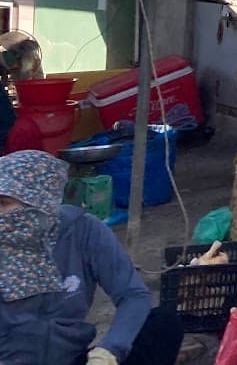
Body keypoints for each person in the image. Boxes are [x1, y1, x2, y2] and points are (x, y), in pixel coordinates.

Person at [0, 150, 184, 365]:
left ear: (38, 201)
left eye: (3, 203)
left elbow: (133, 295)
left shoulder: (83, 230)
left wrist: (109, 351)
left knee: (164, 324)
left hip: (73, 358)